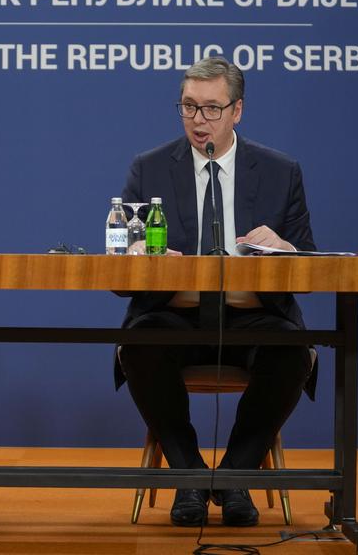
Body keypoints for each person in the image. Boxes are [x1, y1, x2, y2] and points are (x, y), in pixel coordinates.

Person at [116, 56, 317, 527]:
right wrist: (141, 258)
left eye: (211, 109)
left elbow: (308, 266)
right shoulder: (148, 169)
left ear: (237, 111)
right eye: (188, 107)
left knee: (293, 354)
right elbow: (119, 274)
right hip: (175, 314)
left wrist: (284, 248)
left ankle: (234, 476)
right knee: (140, 345)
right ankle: (187, 475)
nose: (198, 121)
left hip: (252, 316)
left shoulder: (280, 171)